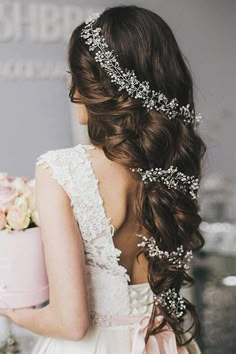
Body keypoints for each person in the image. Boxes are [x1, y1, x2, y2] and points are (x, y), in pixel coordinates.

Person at [0, 5, 207, 353]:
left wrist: (13, 312)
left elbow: (71, 322)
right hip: (162, 342)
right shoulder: (172, 165)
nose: (72, 86)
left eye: (75, 74)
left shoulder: (60, 170)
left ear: (96, 86)